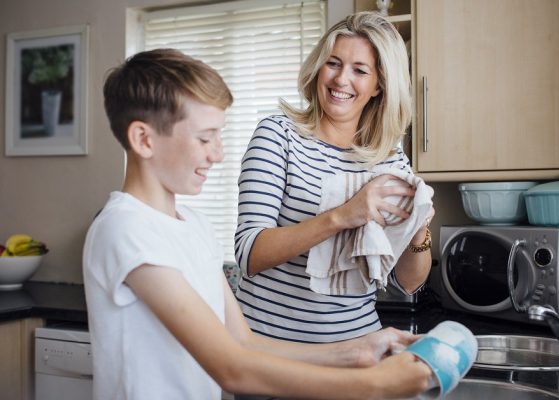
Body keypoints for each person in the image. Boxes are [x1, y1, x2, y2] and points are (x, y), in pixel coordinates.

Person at [83, 48, 431, 399]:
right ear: (144, 140)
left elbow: (242, 341)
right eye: (205, 138)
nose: (218, 154)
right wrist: (374, 385)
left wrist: (358, 352)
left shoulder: (194, 225)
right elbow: (232, 368)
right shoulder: (126, 229)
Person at [235, 11, 435, 343]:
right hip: (271, 355)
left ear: (378, 85)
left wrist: (419, 231)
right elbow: (249, 254)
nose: (341, 80)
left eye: (359, 70)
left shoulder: (390, 158)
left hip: (357, 351)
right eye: (333, 63)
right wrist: (343, 216)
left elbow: (407, 283)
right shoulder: (278, 135)